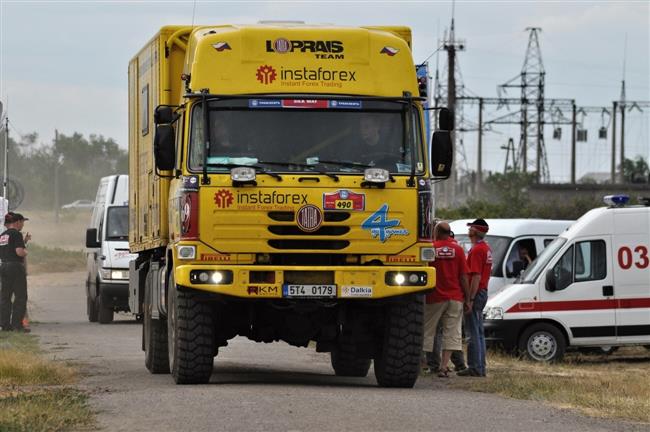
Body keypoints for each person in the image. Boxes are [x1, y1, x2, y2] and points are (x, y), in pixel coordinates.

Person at [423, 222, 470, 377]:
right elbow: (463, 276)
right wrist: (468, 298)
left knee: (427, 331)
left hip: (434, 296)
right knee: (451, 333)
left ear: (436, 231)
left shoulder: (431, 249)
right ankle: (443, 367)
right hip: (455, 297)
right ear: (449, 233)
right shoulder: (458, 249)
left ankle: (420, 364)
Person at [458, 218, 492, 377]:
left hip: (476, 292)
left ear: (475, 231)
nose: (468, 230)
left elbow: (476, 276)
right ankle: (480, 366)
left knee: (473, 332)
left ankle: (475, 367)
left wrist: (469, 299)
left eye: (471, 228)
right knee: (478, 332)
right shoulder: (486, 248)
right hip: (482, 291)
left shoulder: (477, 250)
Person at [0, 212, 31, 332]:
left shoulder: (2, 235)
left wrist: (24, 242)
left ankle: (5, 325)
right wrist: (25, 251)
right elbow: (19, 252)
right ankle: (17, 325)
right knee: (20, 296)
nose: (23, 224)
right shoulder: (16, 234)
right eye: (22, 222)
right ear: (17, 222)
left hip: (4, 266)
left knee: (5, 297)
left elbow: (8, 250)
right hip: (15, 267)